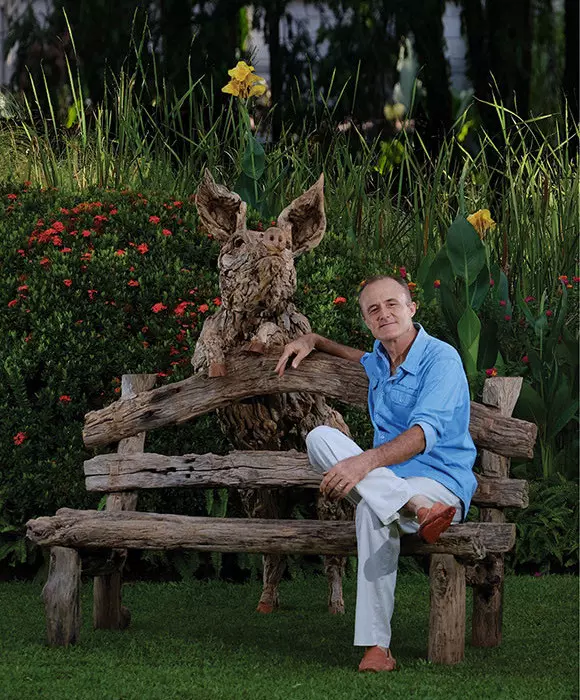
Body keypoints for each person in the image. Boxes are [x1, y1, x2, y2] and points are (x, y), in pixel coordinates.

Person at [274, 274, 477, 673]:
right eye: (373, 310)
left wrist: (363, 462)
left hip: (440, 483)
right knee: (319, 436)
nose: (384, 314)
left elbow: (422, 435)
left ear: (411, 309)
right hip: (406, 494)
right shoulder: (379, 360)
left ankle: (375, 647)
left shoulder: (441, 359)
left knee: (370, 510)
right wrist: (313, 340)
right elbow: (353, 356)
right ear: (367, 322)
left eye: (392, 305)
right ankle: (416, 507)